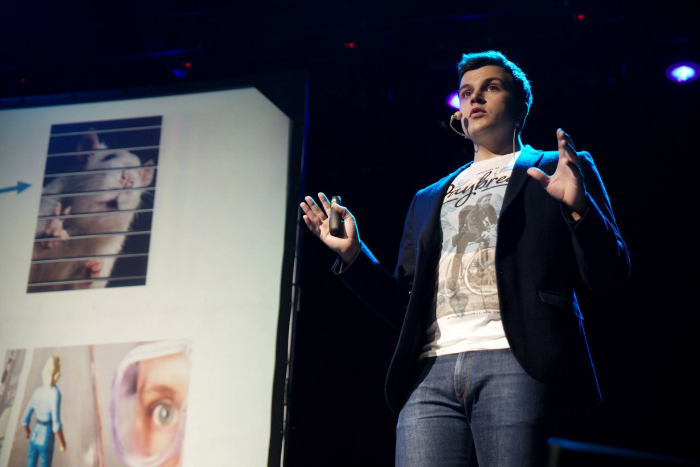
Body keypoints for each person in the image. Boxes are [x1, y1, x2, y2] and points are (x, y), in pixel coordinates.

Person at [300, 50, 630, 467]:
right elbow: (405, 309)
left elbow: (610, 275)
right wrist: (354, 255)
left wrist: (580, 209)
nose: (475, 98)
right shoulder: (426, 198)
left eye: (491, 87)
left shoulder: (558, 168)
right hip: (429, 375)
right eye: (466, 92)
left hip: (518, 360)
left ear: (520, 104)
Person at [22, 355, 66, 467]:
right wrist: (62, 442)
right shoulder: (55, 393)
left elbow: (25, 418)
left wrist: (27, 432)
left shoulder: (37, 391)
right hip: (46, 434)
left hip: (35, 432)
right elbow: (56, 423)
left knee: (30, 463)